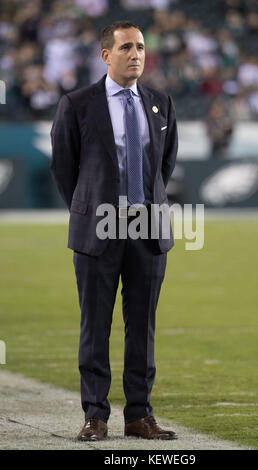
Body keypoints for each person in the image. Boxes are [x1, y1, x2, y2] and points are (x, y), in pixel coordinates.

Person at [50, 20, 178, 441]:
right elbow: (65, 168)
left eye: (140, 47)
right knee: (95, 327)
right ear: (106, 55)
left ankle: (139, 415)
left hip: (146, 226)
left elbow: (164, 166)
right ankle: (96, 415)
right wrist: (91, 212)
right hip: (100, 228)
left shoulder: (161, 102)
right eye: (126, 47)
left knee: (142, 326)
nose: (136, 54)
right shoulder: (78, 103)